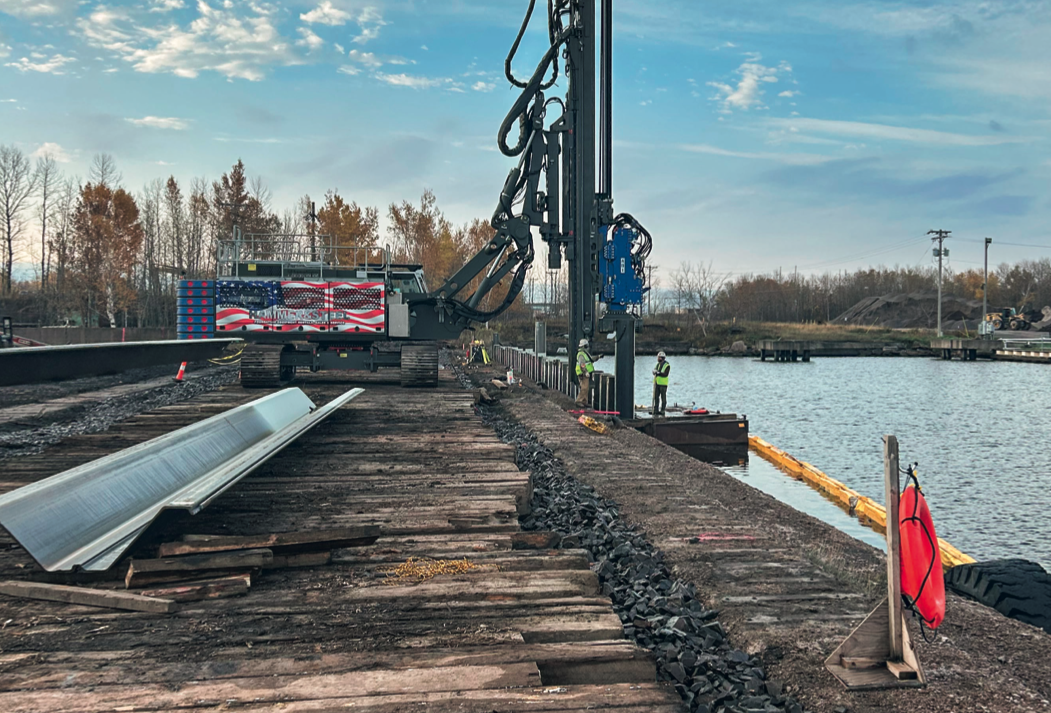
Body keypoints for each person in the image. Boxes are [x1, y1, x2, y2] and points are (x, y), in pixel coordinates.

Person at [575, 338, 598, 407]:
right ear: (584, 346)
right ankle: (579, 401)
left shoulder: (585, 353)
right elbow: (582, 364)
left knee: (586, 387)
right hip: (582, 373)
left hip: (585, 373)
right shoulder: (581, 354)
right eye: (586, 346)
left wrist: (598, 357)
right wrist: (585, 372)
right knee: (584, 388)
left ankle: (584, 402)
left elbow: (590, 359)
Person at [652, 351, 670, 417]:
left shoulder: (667, 365)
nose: (658, 358)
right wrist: (654, 372)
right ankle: (655, 410)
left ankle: (662, 410)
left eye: (659, 357)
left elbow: (666, 374)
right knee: (656, 397)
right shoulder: (657, 364)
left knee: (663, 398)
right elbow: (655, 370)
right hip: (657, 383)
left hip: (663, 384)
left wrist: (659, 373)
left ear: (662, 358)